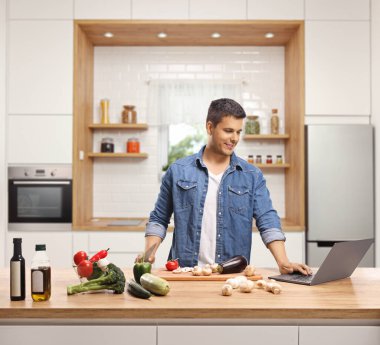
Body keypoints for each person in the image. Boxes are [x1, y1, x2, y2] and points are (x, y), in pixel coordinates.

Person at [140, 98, 311, 275]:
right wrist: (149, 253)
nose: (235, 138)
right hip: (185, 273)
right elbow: (159, 219)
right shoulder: (178, 171)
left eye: (238, 132)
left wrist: (283, 262)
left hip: (232, 276)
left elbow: (267, 220)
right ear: (210, 127)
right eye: (228, 131)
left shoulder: (251, 175)